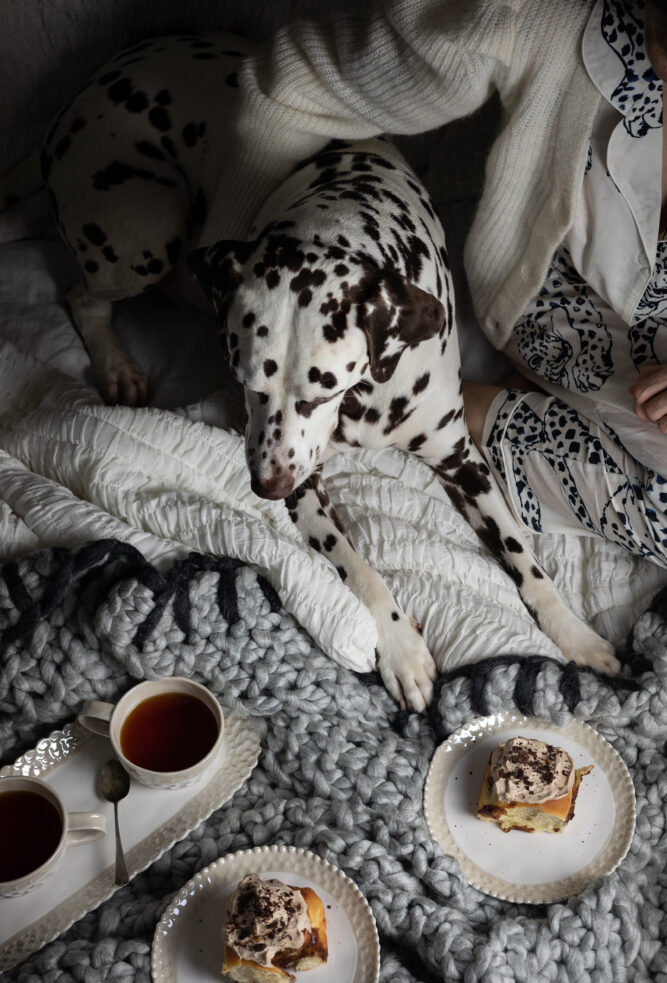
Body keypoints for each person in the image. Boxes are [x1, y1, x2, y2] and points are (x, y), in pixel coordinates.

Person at [206, 0, 667, 567]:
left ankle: (482, 411)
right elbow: (290, 89)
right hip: (563, 319)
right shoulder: (532, 18)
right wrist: (231, 279)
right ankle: (469, 408)